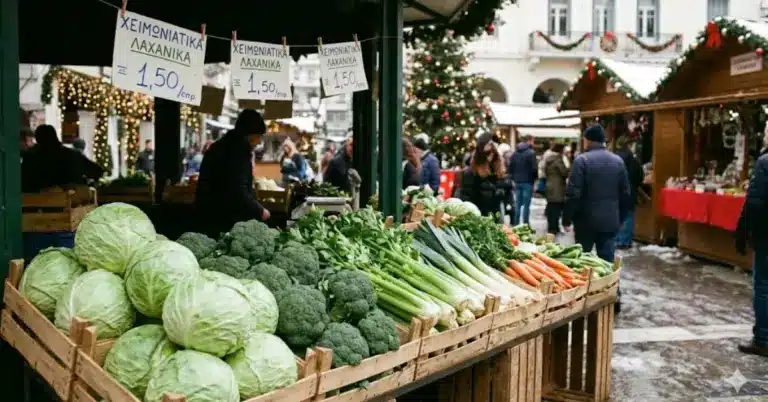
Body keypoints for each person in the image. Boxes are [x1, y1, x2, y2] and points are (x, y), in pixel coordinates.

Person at [195, 109, 270, 238]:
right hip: (224, 220)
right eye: (259, 136)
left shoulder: (220, 146)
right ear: (249, 133)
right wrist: (259, 210)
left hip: (207, 216)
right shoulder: (238, 152)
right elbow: (237, 189)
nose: (259, 142)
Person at [562, 124, 631, 264]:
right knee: (606, 264)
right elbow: (625, 194)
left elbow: (573, 194)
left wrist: (566, 219)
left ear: (587, 140)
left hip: (584, 222)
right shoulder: (618, 161)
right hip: (609, 221)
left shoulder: (581, 161)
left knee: (582, 262)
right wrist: (619, 219)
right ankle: (610, 280)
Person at [734, 132, 768, 357]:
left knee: (763, 285)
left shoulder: (765, 163)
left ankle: (763, 338)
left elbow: (755, 202)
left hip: (766, 236)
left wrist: (742, 230)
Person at [21, 125, 104, 193]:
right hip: (72, 203)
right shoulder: (72, 155)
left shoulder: (30, 157)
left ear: (37, 139)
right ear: (55, 137)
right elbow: (97, 171)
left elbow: (24, 184)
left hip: (36, 204)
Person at [458, 132, 510, 220]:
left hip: (495, 213)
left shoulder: (498, 168)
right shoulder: (472, 172)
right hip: (478, 214)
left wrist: (504, 188)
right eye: (488, 153)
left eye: (493, 153)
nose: (490, 157)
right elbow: (466, 195)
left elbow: (505, 191)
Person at [614, 137, 644, 249]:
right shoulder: (633, 160)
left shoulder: (613, 159)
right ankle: (625, 241)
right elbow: (639, 176)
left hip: (615, 192)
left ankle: (617, 239)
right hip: (629, 192)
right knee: (628, 216)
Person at [508, 135, 537, 225]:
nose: (533, 143)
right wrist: (534, 180)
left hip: (517, 181)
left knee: (518, 204)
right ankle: (525, 224)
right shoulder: (531, 153)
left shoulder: (515, 153)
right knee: (526, 205)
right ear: (529, 141)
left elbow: (510, 168)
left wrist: (513, 178)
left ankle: (516, 224)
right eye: (533, 141)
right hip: (528, 182)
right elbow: (534, 169)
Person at [544, 143, 569, 235]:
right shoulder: (558, 160)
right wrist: (569, 169)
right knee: (556, 209)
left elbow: (545, 172)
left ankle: (552, 227)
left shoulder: (548, 159)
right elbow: (564, 172)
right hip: (557, 188)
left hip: (549, 186)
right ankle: (554, 229)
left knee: (551, 208)